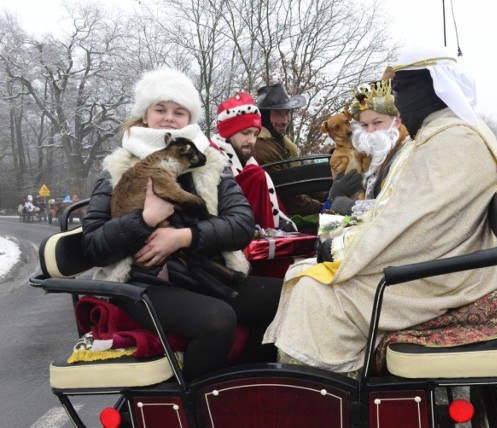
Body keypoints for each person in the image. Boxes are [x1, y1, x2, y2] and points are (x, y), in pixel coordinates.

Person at [263, 47, 497, 377]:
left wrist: (340, 247)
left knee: (312, 294)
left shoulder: (453, 140)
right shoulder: (439, 133)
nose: (395, 101)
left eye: (399, 90)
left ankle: (333, 398)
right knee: (307, 273)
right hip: (436, 262)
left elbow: (413, 231)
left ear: (430, 88)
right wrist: (343, 235)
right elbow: (398, 214)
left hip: (439, 280)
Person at [81, 68, 282, 381]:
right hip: (143, 283)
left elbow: (242, 224)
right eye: (160, 109)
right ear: (145, 116)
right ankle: (191, 405)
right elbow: (93, 246)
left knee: (291, 296)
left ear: (189, 119)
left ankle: (242, 386)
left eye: (179, 112)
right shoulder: (119, 169)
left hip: (203, 271)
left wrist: (184, 237)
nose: (169, 118)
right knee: (217, 320)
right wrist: (144, 219)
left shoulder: (210, 164)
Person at [211, 92, 296, 231]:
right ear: (228, 132)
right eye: (245, 133)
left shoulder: (248, 160)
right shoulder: (212, 159)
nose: (252, 141)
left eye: (255, 134)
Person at [327, 79, 412, 216]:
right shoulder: (374, 154)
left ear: (396, 122)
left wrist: (352, 207)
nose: (370, 130)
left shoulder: (409, 152)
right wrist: (333, 194)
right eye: (364, 125)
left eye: (377, 122)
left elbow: (403, 206)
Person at [253, 83, 323, 216]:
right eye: (278, 114)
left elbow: (302, 178)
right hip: (278, 219)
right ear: (265, 116)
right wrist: (323, 208)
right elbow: (289, 196)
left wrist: (329, 195)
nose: (285, 121)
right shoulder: (261, 147)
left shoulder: (283, 143)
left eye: (287, 114)